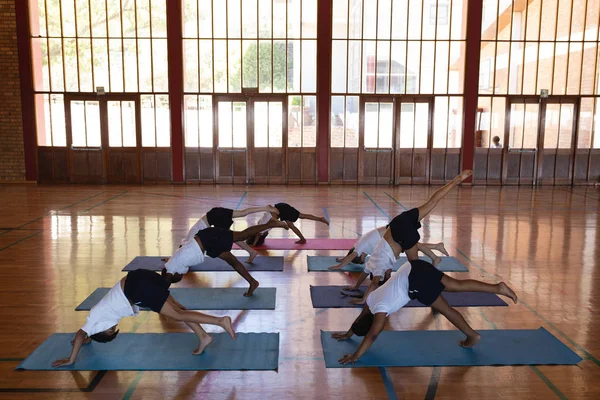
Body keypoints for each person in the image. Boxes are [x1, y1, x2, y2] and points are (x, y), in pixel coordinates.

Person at [331, 259, 518, 365]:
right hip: (413, 267)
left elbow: (372, 335)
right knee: (456, 285)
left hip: (415, 283)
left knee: (445, 308)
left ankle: (472, 335)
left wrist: (356, 356)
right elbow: (362, 317)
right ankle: (497, 288)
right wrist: (349, 332)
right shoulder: (371, 300)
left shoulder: (380, 311)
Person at [51, 269, 236, 368]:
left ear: (101, 329)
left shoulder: (94, 320)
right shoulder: (99, 318)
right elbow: (85, 336)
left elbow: (80, 334)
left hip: (139, 288)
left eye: (110, 330)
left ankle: (220, 321)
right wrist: (86, 340)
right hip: (140, 276)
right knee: (179, 308)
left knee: (177, 315)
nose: (113, 326)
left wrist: (71, 359)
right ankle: (203, 337)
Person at [164, 219, 289, 296]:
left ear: (172, 274)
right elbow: (167, 277)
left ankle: (270, 224)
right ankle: (253, 282)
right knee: (233, 262)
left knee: (242, 235)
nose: (181, 276)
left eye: (178, 277)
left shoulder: (171, 269)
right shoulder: (171, 264)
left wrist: (162, 292)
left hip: (209, 239)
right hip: (209, 247)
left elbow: (166, 280)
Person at [183, 205, 279, 263]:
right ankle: (265, 208)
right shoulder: (188, 239)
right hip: (215, 213)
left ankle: (251, 251)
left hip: (215, 218)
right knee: (243, 213)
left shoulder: (190, 241)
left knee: (233, 237)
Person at [328, 225, 449, 270]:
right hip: (391, 233)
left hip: (394, 231)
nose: (365, 258)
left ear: (360, 255)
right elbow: (351, 255)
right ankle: (436, 246)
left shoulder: (360, 247)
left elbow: (352, 256)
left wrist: (340, 266)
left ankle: (435, 255)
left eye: (362, 258)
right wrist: (342, 259)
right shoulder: (359, 246)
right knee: (411, 246)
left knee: (412, 245)